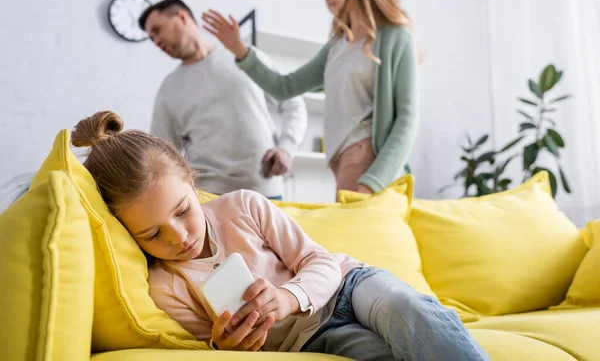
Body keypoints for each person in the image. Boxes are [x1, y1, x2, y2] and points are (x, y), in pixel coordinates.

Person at [71, 110, 490, 361]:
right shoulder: (165, 288)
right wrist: (225, 346)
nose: (178, 237)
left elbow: (320, 261)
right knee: (380, 355)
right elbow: (208, 347)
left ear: (191, 181)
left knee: (407, 308)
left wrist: (289, 296)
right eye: (151, 234)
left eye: (183, 210)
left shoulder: (241, 206)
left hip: (347, 285)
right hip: (311, 338)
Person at [202, 0, 420, 197]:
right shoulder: (338, 44)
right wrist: (240, 50)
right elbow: (285, 87)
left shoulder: (395, 36)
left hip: (368, 161)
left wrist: (372, 181)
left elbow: (407, 119)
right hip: (343, 162)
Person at [139, 0, 307, 200]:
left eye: (157, 30)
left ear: (181, 17)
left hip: (268, 193)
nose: (156, 42)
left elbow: (293, 103)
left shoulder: (245, 58)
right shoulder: (168, 89)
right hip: (210, 199)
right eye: (151, 38)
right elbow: (162, 155)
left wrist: (286, 148)